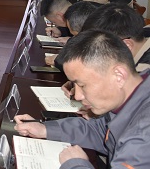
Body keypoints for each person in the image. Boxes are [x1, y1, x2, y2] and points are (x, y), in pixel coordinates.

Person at [15, 30, 150, 169]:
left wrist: (76, 164)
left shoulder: (144, 134)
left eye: (83, 85)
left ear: (119, 76)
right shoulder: (133, 90)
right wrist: (45, 129)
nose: (78, 96)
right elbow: (101, 131)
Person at [44, 1, 97, 66]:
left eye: (75, 35)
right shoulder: (93, 20)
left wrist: (58, 61)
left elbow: (85, 64)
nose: (76, 38)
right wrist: (70, 40)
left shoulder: (100, 43)